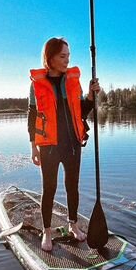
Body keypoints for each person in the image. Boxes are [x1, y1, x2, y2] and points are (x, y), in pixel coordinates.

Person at [28, 37, 100, 251]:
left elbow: (82, 111)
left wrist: (90, 95)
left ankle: (73, 225)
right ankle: (47, 232)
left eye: (68, 55)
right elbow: (32, 117)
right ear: (49, 58)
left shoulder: (73, 81)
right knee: (49, 189)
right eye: (62, 56)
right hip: (48, 147)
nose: (67, 60)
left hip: (72, 144)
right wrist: (33, 146)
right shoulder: (36, 85)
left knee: (72, 187)